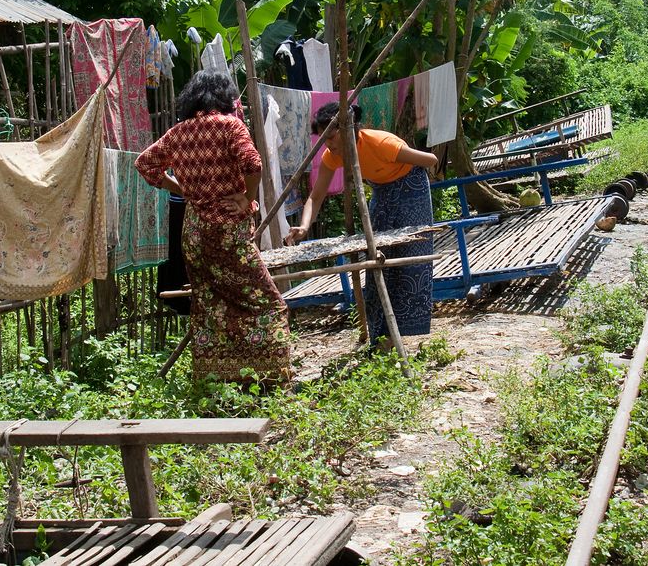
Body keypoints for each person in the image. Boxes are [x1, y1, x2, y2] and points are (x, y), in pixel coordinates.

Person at [135, 71, 291, 383]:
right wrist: (246, 198)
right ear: (224, 97)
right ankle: (271, 377)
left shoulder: (178, 133)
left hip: (194, 236)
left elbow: (144, 163)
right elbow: (254, 164)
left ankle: (220, 379)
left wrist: (184, 190)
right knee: (267, 303)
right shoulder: (230, 126)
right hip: (227, 233)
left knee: (211, 307)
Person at [286, 102, 438, 345]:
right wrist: (304, 227)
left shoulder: (380, 143)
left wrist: (405, 160)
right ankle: (381, 335)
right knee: (378, 257)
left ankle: (407, 330)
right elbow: (315, 197)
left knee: (411, 258)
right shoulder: (331, 156)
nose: (329, 144)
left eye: (332, 136)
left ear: (349, 130)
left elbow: (430, 160)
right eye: (325, 138)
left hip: (412, 189)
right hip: (382, 193)